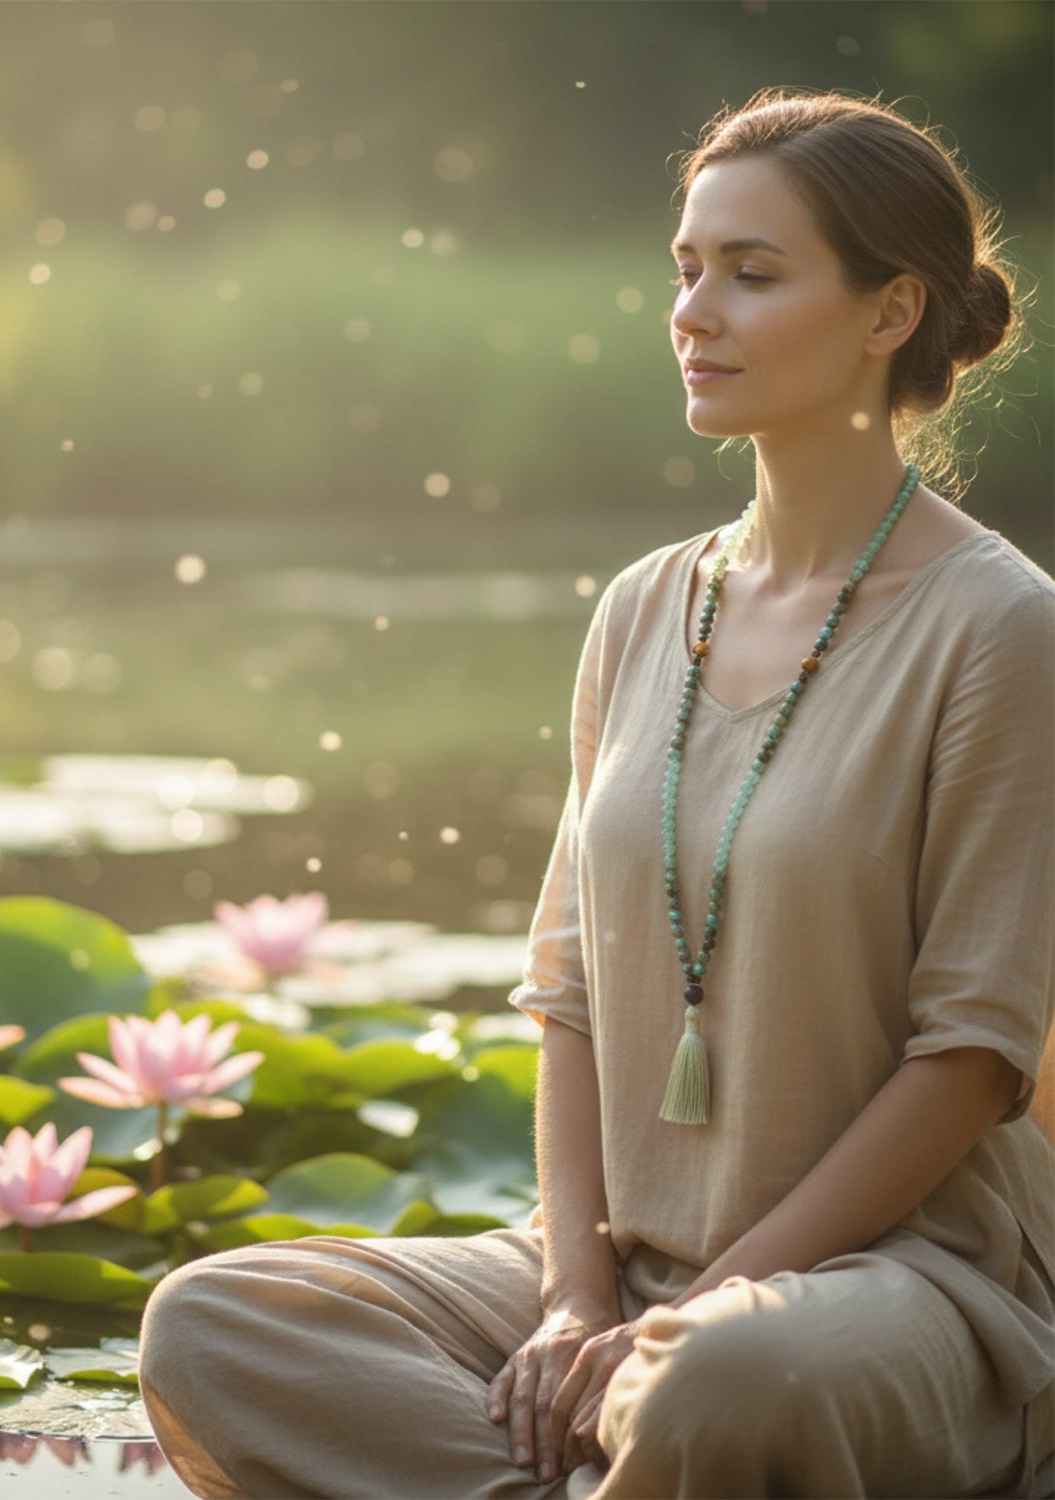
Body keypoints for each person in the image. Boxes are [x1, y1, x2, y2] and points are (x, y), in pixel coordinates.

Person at [137, 86, 1054, 1499]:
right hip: (623, 1260)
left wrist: (696, 1313)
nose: (693, 313)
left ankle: (648, 1436)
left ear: (889, 313)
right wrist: (578, 1297)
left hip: (895, 1278)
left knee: (726, 1381)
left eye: (753, 276)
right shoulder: (643, 609)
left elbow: (975, 1063)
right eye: (685, 271)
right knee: (220, 1325)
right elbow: (566, 996)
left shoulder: (999, 626)